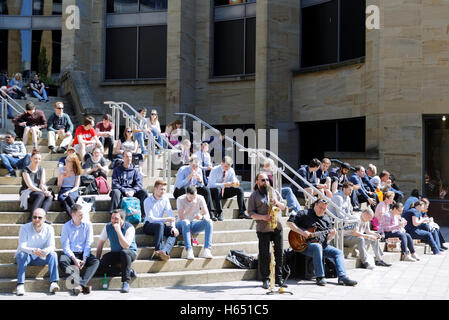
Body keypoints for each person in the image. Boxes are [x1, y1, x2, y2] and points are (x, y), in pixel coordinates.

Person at [286, 199, 358, 287]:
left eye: (324, 209)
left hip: (321, 246)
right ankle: (320, 277)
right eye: (320, 207)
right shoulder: (304, 213)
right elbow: (289, 223)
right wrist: (302, 232)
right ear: (315, 205)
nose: (322, 210)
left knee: (338, 253)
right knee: (317, 246)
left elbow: (326, 239)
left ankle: (342, 277)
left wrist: (331, 236)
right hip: (302, 245)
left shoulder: (327, 219)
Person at [248, 172, 288, 289]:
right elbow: (250, 213)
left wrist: (277, 203)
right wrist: (263, 217)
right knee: (264, 254)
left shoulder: (274, 192)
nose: (265, 182)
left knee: (279, 253)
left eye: (266, 179)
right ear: (257, 182)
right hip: (263, 229)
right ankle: (265, 279)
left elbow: (284, 207)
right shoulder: (254, 196)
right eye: (262, 180)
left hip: (277, 227)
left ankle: (279, 278)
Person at [15, 208, 59, 296]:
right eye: (34, 217)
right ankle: (20, 284)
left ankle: (53, 282)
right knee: (21, 254)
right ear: (32, 217)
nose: (37, 220)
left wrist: (44, 251)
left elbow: (52, 246)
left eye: (40, 217)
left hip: (41, 256)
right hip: (27, 256)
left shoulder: (49, 228)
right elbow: (22, 246)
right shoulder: (24, 228)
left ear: (45, 218)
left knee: (53, 254)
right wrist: (33, 251)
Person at [59, 203, 99, 295]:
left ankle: (80, 285)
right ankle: (82, 284)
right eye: (80, 215)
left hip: (83, 253)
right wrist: (74, 259)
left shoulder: (88, 225)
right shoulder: (66, 226)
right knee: (62, 260)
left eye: (83, 214)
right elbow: (66, 246)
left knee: (96, 261)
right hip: (71, 254)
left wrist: (84, 259)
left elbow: (89, 243)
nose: (82, 216)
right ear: (73, 215)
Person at [97, 209, 137, 293]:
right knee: (101, 265)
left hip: (129, 253)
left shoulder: (130, 228)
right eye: (112, 218)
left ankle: (126, 282)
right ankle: (128, 271)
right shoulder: (107, 226)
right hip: (115, 253)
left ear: (123, 219)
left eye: (116, 219)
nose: (113, 220)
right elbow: (100, 243)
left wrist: (118, 231)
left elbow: (125, 246)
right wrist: (97, 260)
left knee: (124, 252)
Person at [143, 180, 179, 261]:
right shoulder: (147, 201)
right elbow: (151, 219)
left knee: (174, 232)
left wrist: (173, 227)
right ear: (155, 189)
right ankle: (158, 250)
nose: (163, 191)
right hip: (148, 225)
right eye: (161, 189)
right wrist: (166, 219)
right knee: (160, 224)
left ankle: (164, 251)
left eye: (164, 190)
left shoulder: (165, 199)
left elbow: (171, 215)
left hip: (160, 226)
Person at [175, 186, 214, 260]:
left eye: (194, 197)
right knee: (186, 222)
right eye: (190, 198)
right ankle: (189, 250)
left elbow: (207, 214)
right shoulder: (180, 199)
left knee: (209, 222)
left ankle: (207, 250)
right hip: (181, 224)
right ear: (186, 194)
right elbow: (182, 217)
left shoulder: (200, 198)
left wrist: (201, 217)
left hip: (194, 223)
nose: (193, 199)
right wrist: (191, 208)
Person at [207, 156, 249, 221]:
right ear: (222, 163)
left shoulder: (231, 170)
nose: (227, 168)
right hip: (214, 192)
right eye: (226, 166)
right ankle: (219, 212)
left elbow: (234, 179)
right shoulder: (215, 170)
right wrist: (223, 185)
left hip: (225, 191)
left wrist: (236, 182)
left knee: (240, 189)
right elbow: (210, 185)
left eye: (229, 166)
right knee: (217, 189)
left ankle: (242, 212)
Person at [110, 151, 148, 217]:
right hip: (121, 191)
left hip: (132, 192)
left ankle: (143, 215)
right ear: (123, 158)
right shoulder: (116, 170)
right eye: (127, 156)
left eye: (130, 157)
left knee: (144, 192)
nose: (129, 158)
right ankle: (114, 215)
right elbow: (115, 184)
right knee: (115, 192)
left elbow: (139, 184)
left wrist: (133, 191)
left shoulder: (135, 171)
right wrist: (125, 190)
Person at [19, 150, 53, 220]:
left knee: (50, 197)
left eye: (39, 159)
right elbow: (30, 186)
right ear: (31, 158)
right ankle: (31, 218)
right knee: (41, 195)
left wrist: (46, 191)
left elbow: (42, 184)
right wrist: (43, 192)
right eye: (35, 158)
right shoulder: (25, 170)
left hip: (38, 191)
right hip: (27, 191)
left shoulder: (41, 169)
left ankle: (42, 217)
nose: (37, 160)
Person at [57, 153, 81, 219]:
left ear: (73, 162)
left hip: (73, 190)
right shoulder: (62, 169)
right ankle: (75, 218)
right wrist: (62, 176)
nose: (66, 162)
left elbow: (76, 186)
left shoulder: (77, 170)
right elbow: (59, 185)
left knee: (69, 197)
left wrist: (69, 192)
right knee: (65, 200)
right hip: (63, 189)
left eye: (68, 161)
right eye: (66, 160)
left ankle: (76, 217)